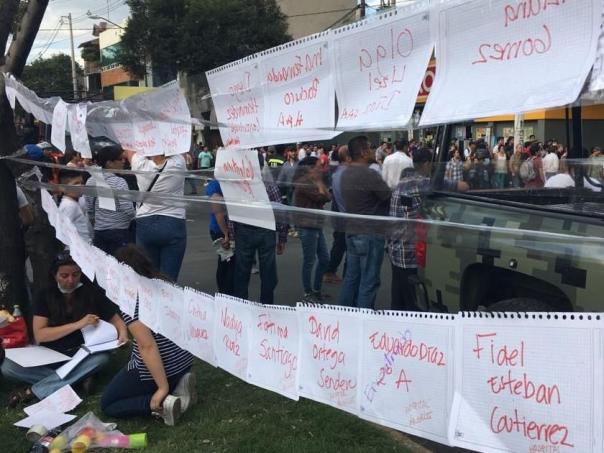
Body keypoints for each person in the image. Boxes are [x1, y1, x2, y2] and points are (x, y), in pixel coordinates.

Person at [1, 252, 128, 406]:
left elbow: (115, 319)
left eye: (76, 274)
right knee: (7, 367)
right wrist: (78, 324)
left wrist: (123, 334)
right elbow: (40, 334)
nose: (71, 280)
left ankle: (34, 390)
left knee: (102, 359)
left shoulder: (91, 291)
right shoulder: (44, 294)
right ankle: (78, 379)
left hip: (82, 353)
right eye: (64, 276)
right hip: (50, 354)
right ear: (54, 275)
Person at [102, 245, 195, 426]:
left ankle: (162, 404)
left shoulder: (131, 300)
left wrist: (162, 388)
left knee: (109, 404)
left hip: (164, 368)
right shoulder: (167, 284)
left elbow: (147, 346)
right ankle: (178, 384)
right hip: (184, 360)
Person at [388, 148, 468, 310]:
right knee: (413, 304)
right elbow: (460, 186)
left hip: (395, 248)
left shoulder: (403, 181)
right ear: (426, 163)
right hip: (408, 251)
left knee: (398, 300)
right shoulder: (421, 183)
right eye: (432, 163)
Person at [337, 136, 392, 309]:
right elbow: (387, 196)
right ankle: (364, 317)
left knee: (351, 278)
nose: (373, 151)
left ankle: (346, 313)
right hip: (369, 233)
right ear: (363, 152)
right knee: (369, 281)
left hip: (352, 231)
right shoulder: (369, 174)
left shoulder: (345, 173)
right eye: (370, 148)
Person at [124, 149, 187, 281]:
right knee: (168, 278)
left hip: (145, 222)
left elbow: (128, 147)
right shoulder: (178, 163)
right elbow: (182, 146)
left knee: (148, 275)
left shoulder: (140, 165)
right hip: (173, 221)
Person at [233, 171, 288, 305]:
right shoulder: (268, 185)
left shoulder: (238, 184)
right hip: (265, 229)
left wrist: (231, 233)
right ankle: (266, 305)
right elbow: (279, 211)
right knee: (268, 271)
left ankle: (240, 306)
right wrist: (282, 237)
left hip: (244, 229)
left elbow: (232, 209)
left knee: (241, 272)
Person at [293, 157, 331, 302]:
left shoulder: (312, 181)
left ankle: (316, 289)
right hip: (307, 226)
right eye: (318, 166)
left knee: (324, 258)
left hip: (315, 225)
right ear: (310, 168)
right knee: (309, 260)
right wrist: (321, 184)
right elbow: (322, 198)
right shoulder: (304, 183)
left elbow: (328, 196)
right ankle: (308, 293)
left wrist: (321, 185)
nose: (322, 169)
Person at [85, 145, 135, 255]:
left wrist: (97, 223)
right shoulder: (119, 182)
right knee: (120, 263)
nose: (124, 162)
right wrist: (135, 217)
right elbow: (128, 209)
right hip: (119, 231)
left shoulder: (91, 181)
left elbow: (89, 209)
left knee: (102, 263)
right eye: (120, 159)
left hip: (99, 232)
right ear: (109, 163)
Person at [324, 145, 350, 284]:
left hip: (339, 215)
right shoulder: (345, 174)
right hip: (344, 217)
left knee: (340, 245)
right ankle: (332, 272)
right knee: (342, 246)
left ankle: (332, 271)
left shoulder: (337, 172)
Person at [207, 178, 236, 295]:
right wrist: (226, 234)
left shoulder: (218, 182)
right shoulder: (216, 184)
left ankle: (224, 293)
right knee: (229, 263)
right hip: (221, 230)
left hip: (221, 229)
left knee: (225, 261)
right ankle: (226, 294)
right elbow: (218, 211)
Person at [59, 169, 93, 243]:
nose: (80, 186)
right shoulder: (69, 206)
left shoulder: (73, 203)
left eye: (81, 183)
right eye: (76, 183)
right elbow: (63, 232)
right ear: (63, 188)